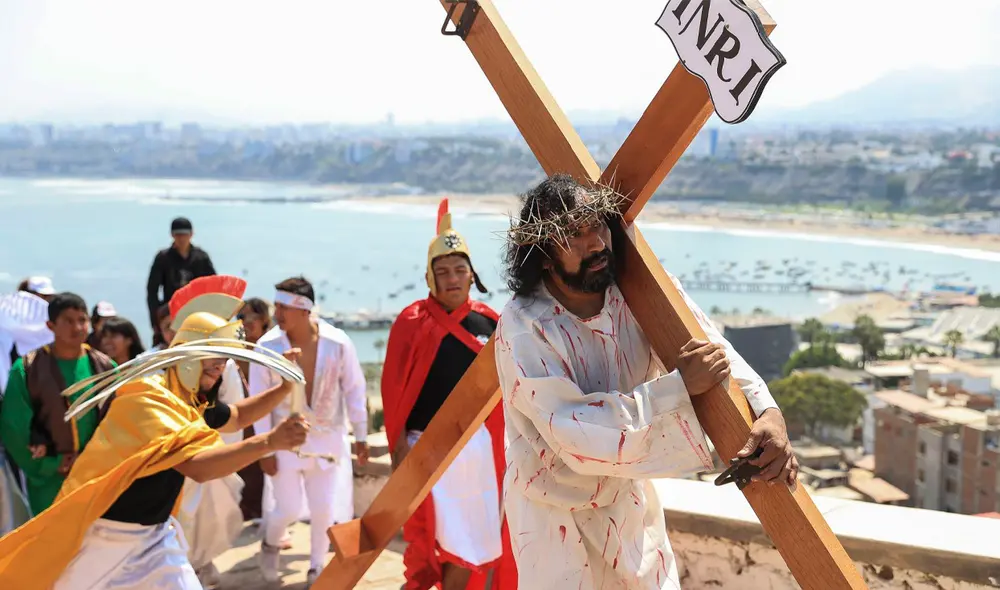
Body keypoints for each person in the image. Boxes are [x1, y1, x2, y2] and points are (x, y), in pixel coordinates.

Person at [495, 175, 797, 590]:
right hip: (553, 519)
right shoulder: (524, 328)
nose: (596, 243)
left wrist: (767, 410)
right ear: (544, 255)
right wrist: (676, 389)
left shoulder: (642, 293)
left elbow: (711, 348)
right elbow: (574, 432)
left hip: (629, 506)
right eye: (574, 235)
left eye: (598, 225)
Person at [0, 274, 310, 589]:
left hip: (157, 535)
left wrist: (284, 389)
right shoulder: (147, 395)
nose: (220, 367)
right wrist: (271, 441)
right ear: (188, 354)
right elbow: (197, 466)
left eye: (224, 359)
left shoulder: (190, 399)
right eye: (214, 358)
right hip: (105, 534)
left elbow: (236, 416)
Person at [381, 198, 516, 590]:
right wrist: (397, 450)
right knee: (438, 542)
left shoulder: (491, 323)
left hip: (482, 455)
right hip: (428, 450)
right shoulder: (411, 322)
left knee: (480, 542)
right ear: (430, 277)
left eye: (460, 270)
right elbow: (394, 392)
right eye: (443, 271)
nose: (453, 278)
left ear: (472, 275)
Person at [251, 276, 369, 585]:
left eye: (284, 307)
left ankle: (317, 568)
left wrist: (361, 435)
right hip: (284, 441)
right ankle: (271, 543)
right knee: (287, 508)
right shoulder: (267, 347)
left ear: (304, 309)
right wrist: (263, 447)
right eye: (275, 305)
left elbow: (355, 389)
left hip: (328, 441)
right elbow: (257, 403)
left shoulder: (338, 342)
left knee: (323, 510)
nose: (276, 313)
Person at [0, 292, 115, 515]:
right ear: (50, 325)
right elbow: (14, 427)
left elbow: (120, 419)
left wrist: (96, 461)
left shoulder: (105, 367)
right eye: (68, 321)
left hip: (97, 476)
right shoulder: (27, 369)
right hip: (49, 482)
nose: (77, 327)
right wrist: (51, 465)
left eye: (82, 320)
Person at [146, 216, 216, 344]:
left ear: (191, 234)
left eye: (185, 234)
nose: (182, 239)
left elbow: (214, 287)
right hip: (170, 315)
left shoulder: (201, 257)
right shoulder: (163, 258)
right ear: (172, 235)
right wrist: (156, 322)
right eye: (178, 235)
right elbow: (152, 291)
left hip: (197, 314)